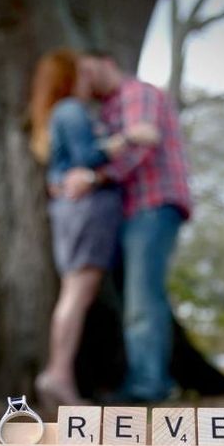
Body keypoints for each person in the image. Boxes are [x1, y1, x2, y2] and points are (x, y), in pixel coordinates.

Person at [29, 49, 159, 413]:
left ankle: (61, 377)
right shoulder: (70, 109)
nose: (90, 79)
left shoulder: (61, 112)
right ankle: (57, 373)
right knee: (77, 293)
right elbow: (87, 156)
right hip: (86, 211)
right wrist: (131, 137)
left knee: (75, 293)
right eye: (83, 72)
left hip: (74, 211)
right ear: (72, 77)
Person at [63, 51, 192, 404]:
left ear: (106, 62)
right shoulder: (107, 109)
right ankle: (147, 379)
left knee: (142, 297)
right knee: (137, 295)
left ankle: (149, 387)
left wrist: (93, 176)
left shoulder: (137, 93)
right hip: (132, 211)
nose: (84, 80)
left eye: (87, 70)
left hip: (153, 204)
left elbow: (140, 150)